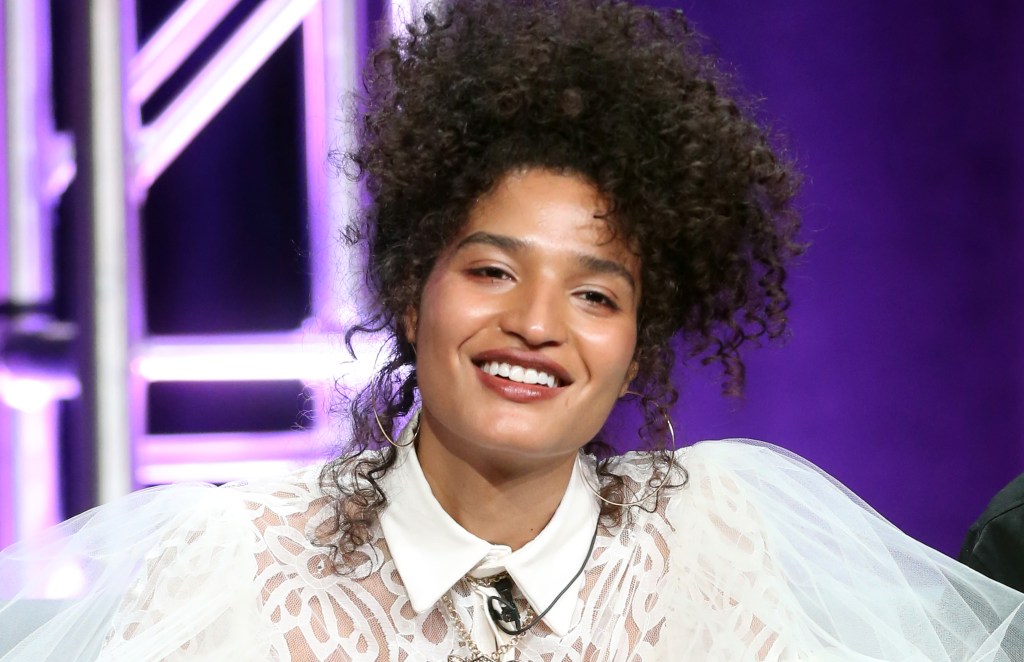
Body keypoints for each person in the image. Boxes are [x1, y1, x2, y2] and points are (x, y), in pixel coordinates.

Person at [2, 1, 1023, 660]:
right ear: (412, 289)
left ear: (635, 344)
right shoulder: (231, 560)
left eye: (595, 295)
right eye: (492, 270)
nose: (536, 325)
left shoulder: (714, 539)